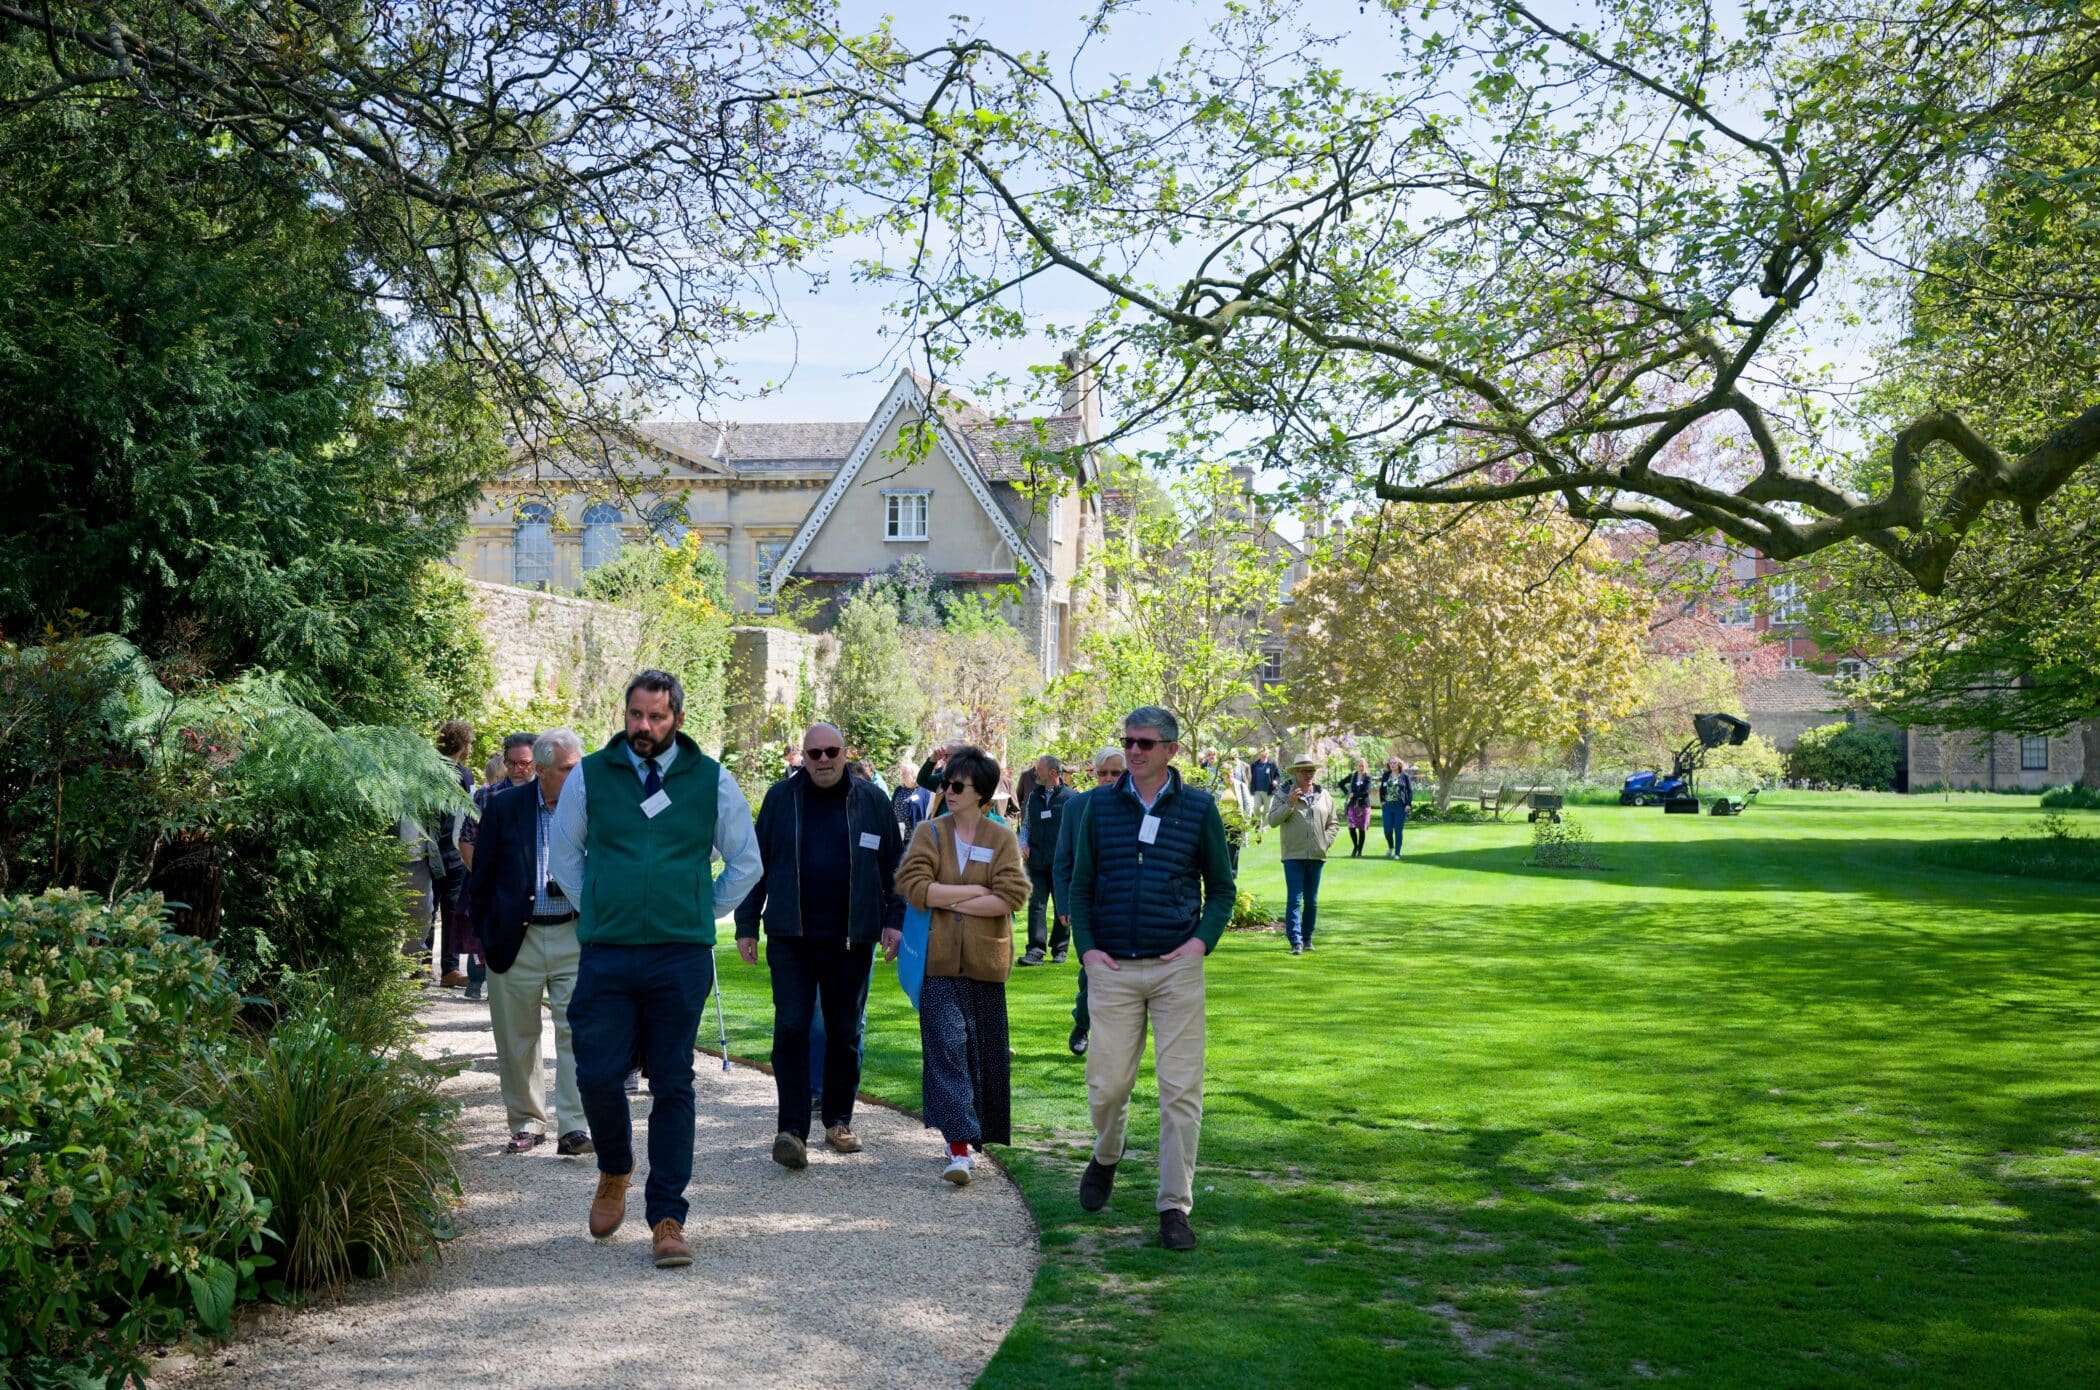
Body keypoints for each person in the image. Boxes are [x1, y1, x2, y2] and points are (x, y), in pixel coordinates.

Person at [549, 669, 762, 1269]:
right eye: (635, 715)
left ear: (678, 720)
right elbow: (566, 856)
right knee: (595, 1073)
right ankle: (615, 1167)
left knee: (673, 1081)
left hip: (679, 955)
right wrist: (604, 909)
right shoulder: (589, 775)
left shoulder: (712, 780)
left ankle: (667, 1215)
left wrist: (699, 910)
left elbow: (746, 863)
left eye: (656, 717)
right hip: (607, 952)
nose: (643, 727)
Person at [1066, 706, 1235, 1252]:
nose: (1133, 751)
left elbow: (1222, 889)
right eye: (1128, 741)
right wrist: (1087, 951)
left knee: (1179, 1092)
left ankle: (1173, 1207)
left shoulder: (1199, 808)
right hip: (1111, 969)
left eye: (1145, 743)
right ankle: (1107, 1152)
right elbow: (1081, 885)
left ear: (1171, 750)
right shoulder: (1096, 807)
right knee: (1108, 1086)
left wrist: (1198, 944)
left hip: (1174, 970)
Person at [735, 722, 906, 1169]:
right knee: (791, 1028)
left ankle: (838, 1119)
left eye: (832, 751)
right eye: (815, 754)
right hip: (792, 936)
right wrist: (746, 924)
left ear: (845, 753)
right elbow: (757, 864)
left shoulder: (871, 800)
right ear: (803, 758)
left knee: (843, 1032)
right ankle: (791, 1129)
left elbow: (896, 867)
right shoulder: (780, 798)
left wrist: (895, 920)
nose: (824, 760)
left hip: (852, 937)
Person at [895, 746, 1030, 1186]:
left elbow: (1012, 893)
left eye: (958, 786)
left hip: (985, 962)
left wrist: (948, 893)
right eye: (946, 784)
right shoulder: (930, 833)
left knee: (984, 1051)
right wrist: (973, 894)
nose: (948, 791)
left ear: (982, 795)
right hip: (936, 963)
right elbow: (914, 887)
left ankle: (975, 1134)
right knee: (946, 1047)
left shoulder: (1001, 837)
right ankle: (957, 1147)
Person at [471, 729, 591, 1156]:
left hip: (574, 936)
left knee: (577, 1033)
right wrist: (485, 936)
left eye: (580, 768)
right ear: (540, 770)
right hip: (515, 939)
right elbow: (480, 877)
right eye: (567, 770)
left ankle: (574, 1126)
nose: (578, 777)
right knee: (517, 1037)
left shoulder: (592, 809)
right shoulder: (504, 808)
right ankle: (526, 1123)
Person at [1051, 746, 1123, 1057]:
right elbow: (1063, 859)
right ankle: (1083, 1022)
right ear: (1093, 774)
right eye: (1103, 773)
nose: (1109, 779)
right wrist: (1064, 905)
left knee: (1120, 974)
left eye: (1116, 773)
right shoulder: (1076, 806)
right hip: (1086, 904)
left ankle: (1107, 1033)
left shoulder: (1141, 806)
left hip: (1125, 903)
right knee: (1093, 970)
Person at [1268, 754, 1339, 955]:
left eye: (1311, 771)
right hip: (1293, 855)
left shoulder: (1324, 794)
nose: (1309, 775)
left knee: (1312, 900)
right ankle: (1295, 941)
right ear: (1295, 773)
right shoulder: (1283, 794)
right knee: (1295, 899)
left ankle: (1307, 938)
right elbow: (1272, 820)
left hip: (1316, 855)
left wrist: (1325, 842)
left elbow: (1333, 823)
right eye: (1304, 771)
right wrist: (1289, 804)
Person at [432, 720, 476, 987]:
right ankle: (449, 969)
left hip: (429, 847)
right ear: (462, 743)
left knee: (426, 908)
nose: (470, 747)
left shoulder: (428, 769)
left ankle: (422, 966)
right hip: (452, 849)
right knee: (450, 910)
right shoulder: (463, 775)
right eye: (469, 742)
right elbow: (469, 816)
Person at [1019, 755, 1073, 967]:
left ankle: (1060, 949)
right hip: (1037, 862)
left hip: (1062, 864)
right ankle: (1035, 951)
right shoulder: (1034, 796)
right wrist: (1023, 843)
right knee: (1037, 905)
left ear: (1053, 772)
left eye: (1039, 769)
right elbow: (1026, 824)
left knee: (1063, 905)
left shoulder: (1071, 797)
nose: (1035, 773)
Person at [1379, 756, 1415, 858]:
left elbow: (1410, 791)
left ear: (1399, 764)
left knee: (1398, 830)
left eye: (1394, 763)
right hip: (1388, 806)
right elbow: (1381, 789)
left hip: (1400, 806)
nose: (1392, 765)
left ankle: (1397, 853)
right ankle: (1391, 847)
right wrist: (1382, 801)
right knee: (1387, 830)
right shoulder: (1386, 775)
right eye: (1390, 763)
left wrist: (1408, 804)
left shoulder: (1404, 776)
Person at [1342, 756, 1374, 857]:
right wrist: (1348, 793)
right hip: (1352, 805)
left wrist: (1354, 795)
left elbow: (1367, 792)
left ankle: (1360, 850)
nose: (1361, 767)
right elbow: (1341, 783)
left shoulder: (1368, 777)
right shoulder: (1353, 776)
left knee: (1362, 829)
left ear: (1366, 766)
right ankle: (1355, 846)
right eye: (1360, 765)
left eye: (1363, 766)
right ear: (1356, 766)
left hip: (1364, 806)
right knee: (1351, 827)